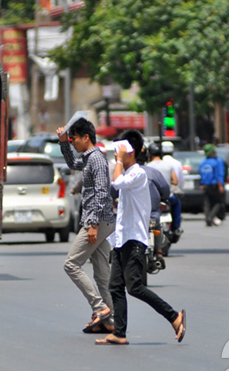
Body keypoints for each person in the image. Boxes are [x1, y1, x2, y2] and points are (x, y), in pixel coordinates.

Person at [95, 130, 185, 346]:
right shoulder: (128, 174)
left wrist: (118, 161)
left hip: (134, 240)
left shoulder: (139, 174)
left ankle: (173, 316)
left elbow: (116, 184)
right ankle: (119, 333)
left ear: (131, 152)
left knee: (134, 286)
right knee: (115, 286)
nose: (117, 155)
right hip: (122, 239)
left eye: (120, 150)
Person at [57, 119, 115, 334]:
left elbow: (101, 193)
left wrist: (92, 225)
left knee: (71, 264)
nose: (73, 144)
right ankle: (111, 320)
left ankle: (100, 308)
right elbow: (73, 164)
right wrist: (63, 142)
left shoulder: (97, 161)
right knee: (102, 275)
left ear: (86, 137)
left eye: (75, 139)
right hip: (102, 221)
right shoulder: (90, 158)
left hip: (98, 221)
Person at [138, 148, 170, 269]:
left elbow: (114, 191)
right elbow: (165, 188)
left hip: (137, 217)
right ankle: (160, 253)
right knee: (157, 227)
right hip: (152, 214)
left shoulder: (127, 173)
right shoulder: (153, 172)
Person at [160, 141, 184, 237]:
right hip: (170, 194)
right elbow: (179, 181)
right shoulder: (176, 163)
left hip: (157, 195)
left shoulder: (156, 163)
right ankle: (176, 227)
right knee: (177, 202)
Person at [198, 144, 226, 227]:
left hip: (205, 185)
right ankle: (210, 217)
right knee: (218, 202)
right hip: (214, 185)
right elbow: (219, 174)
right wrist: (221, 185)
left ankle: (207, 218)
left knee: (207, 203)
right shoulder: (217, 161)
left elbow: (201, 174)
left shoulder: (203, 163)